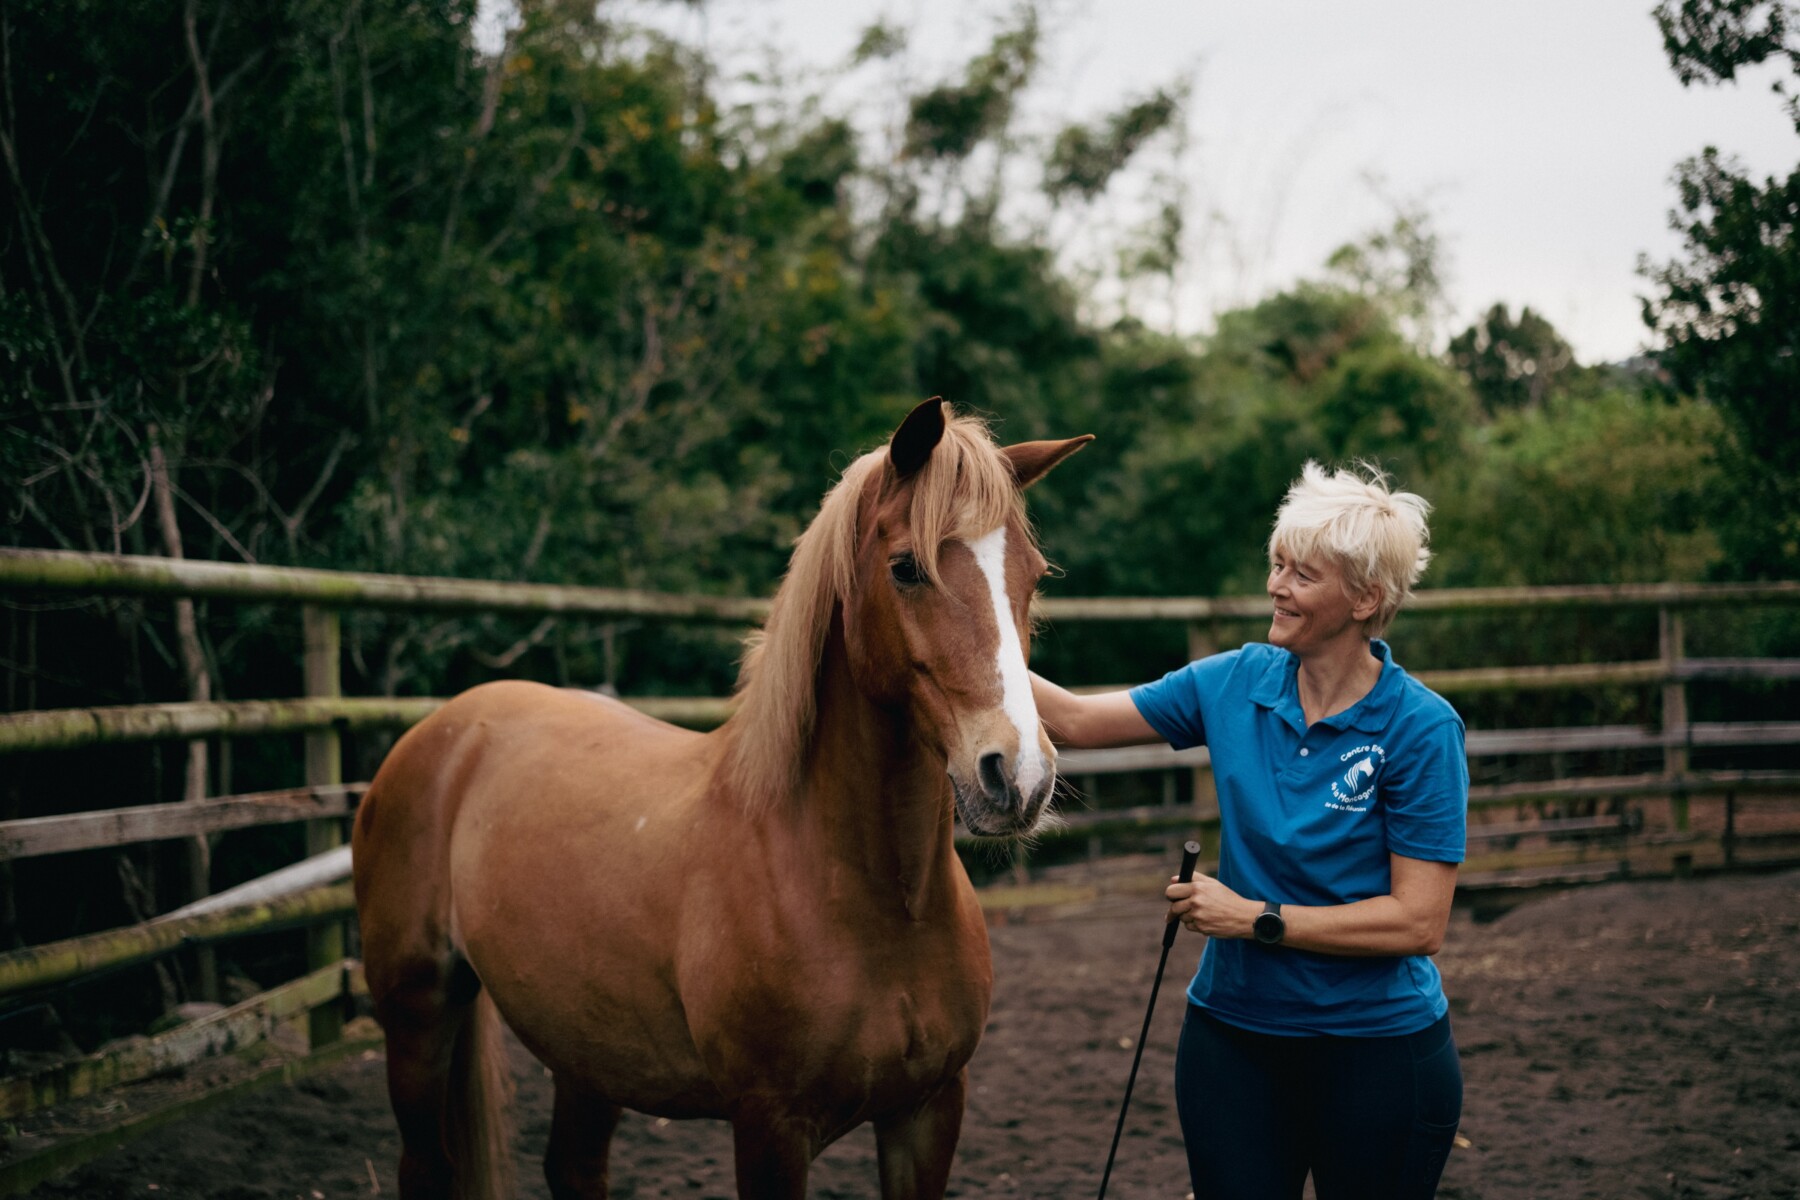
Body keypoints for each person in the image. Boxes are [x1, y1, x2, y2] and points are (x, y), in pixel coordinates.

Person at [1031, 461, 1467, 1200]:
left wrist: (1254, 918)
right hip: (1232, 1042)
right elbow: (1073, 719)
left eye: (1303, 573)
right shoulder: (1234, 681)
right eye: (1277, 564)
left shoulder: (1421, 729)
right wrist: (970, 642)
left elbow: (1419, 921)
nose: (1276, 585)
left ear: (1365, 597)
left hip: (1378, 1053)